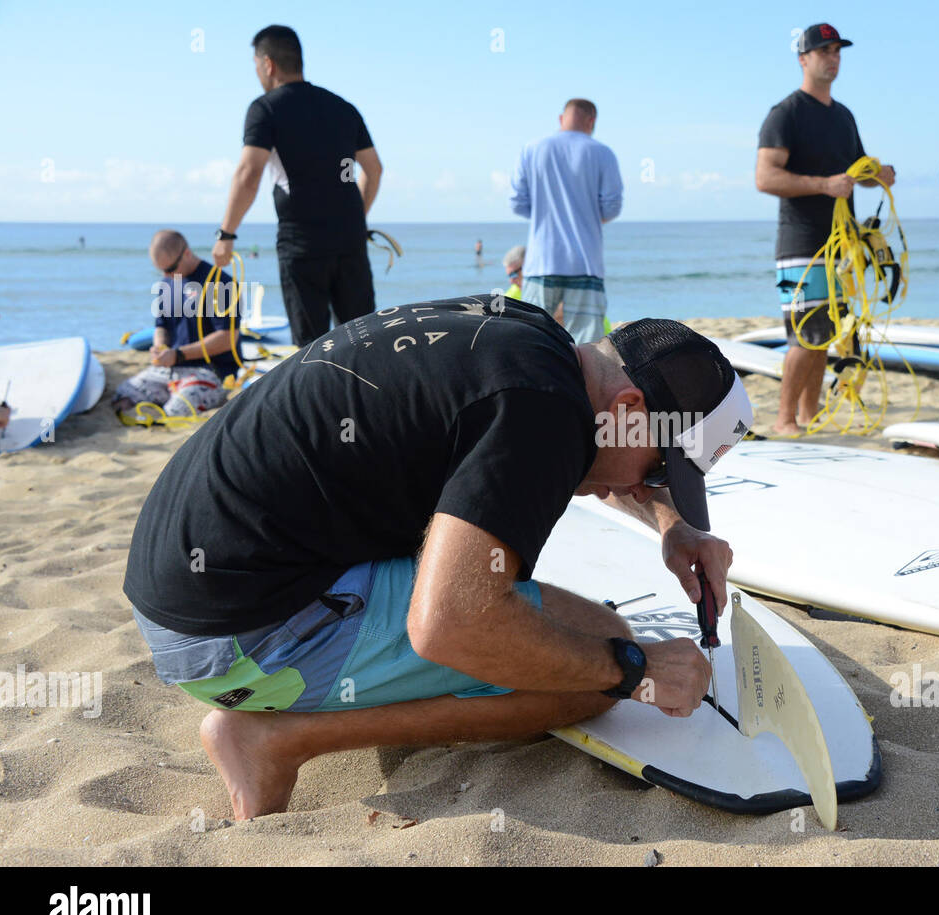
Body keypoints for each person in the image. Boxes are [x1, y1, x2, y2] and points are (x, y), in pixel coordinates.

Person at [123, 297, 754, 818]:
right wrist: (635, 667)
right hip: (232, 636)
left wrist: (671, 524)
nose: (648, 482)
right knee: (596, 655)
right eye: (658, 466)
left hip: (185, 569)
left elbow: (573, 455)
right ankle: (275, 739)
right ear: (627, 410)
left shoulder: (533, 339)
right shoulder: (544, 416)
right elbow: (450, 626)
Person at [756, 23, 896, 435]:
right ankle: (784, 419)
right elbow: (765, 178)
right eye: (824, 51)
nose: (832, 58)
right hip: (800, 242)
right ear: (804, 59)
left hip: (840, 244)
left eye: (837, 51)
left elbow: (856, 169)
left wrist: (879, 173)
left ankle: (807, 416)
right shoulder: (786, 113)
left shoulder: (843, 115)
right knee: (804, 335)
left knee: (826, 333)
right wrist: (823, 185)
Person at [211, 25, 382, 347]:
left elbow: (249, 174)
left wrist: (227, 234)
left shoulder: (266, 108)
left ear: (268, 64)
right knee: (364, 343)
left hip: (303, 245)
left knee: (312, 350)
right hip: (350, 240)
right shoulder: (343, 107)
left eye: (255, 65)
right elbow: (374, 170)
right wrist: (357, 219)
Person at [510, 98, 623, 345]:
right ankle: (577, 385)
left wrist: (545, 214)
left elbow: (517, 202)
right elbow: (612, 207)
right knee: (586, 345)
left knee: (532, 339)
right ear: (592, 121)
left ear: (561, 119)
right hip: (585, 263)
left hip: (541, 262)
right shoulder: (602, 153)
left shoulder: (532, 148)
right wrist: (587, 218)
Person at [111, 230, 241, 421]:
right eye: (161, 270)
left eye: (171, 268)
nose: (167, 274)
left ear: (187, 253)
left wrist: (179, 354)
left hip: (211, 371)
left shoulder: (219, 283)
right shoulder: (168, 282)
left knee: (176, 411)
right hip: (172, 369)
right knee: (122, 396)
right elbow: (161, 325)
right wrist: (159, 347)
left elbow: (227, 338)